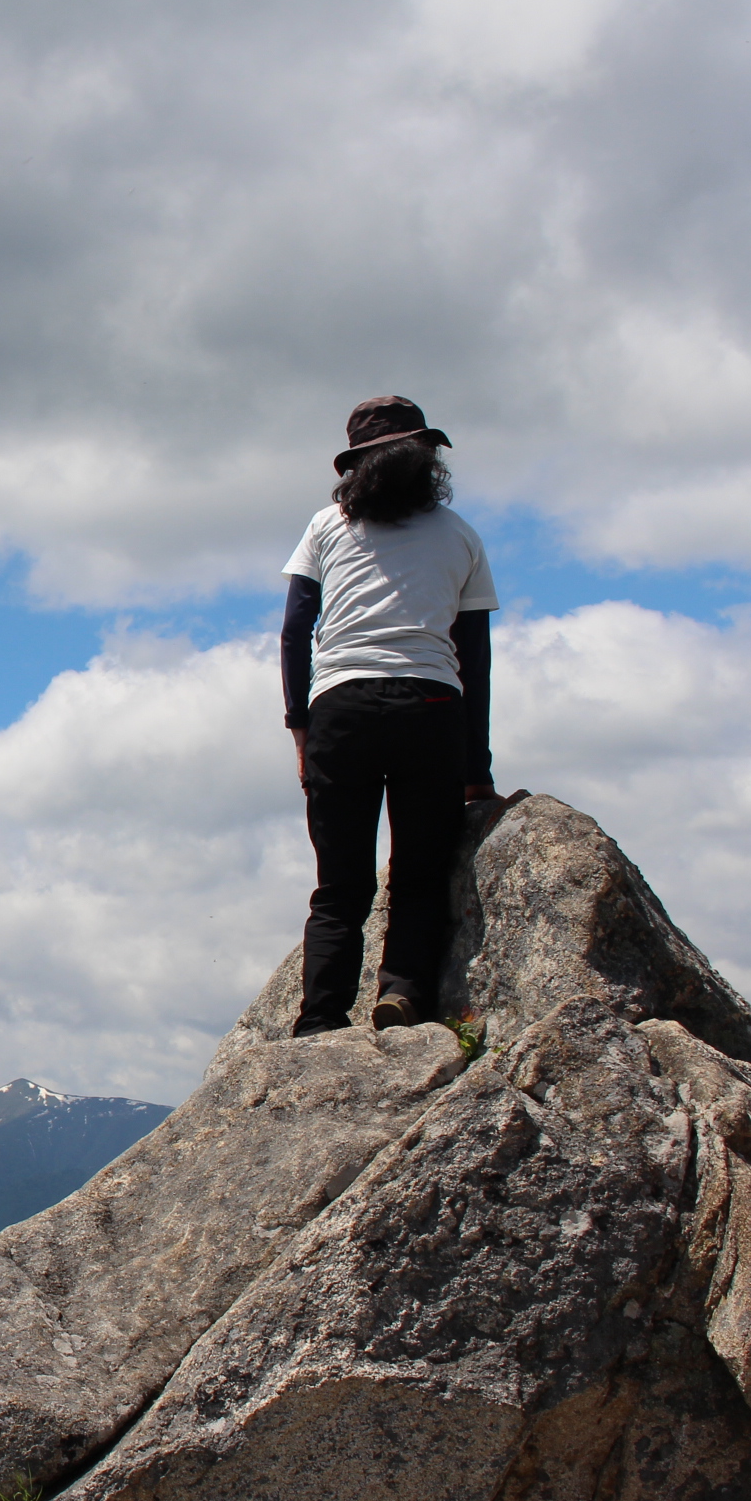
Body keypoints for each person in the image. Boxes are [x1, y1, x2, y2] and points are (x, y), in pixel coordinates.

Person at [281, 396, 503, 1036]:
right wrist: (475, 769)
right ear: (426, 458)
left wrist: (301, 725)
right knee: (419, 872)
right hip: (432, 707)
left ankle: (320, 1017)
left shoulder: (326, 526)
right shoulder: (460, 535)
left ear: (356, 468)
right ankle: (402, 994)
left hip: (341, 708)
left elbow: (297, 632)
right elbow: (475, 659)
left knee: (339, 882)